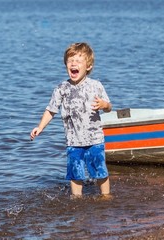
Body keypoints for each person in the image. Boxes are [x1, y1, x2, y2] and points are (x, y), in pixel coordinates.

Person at [30, 42, 112, 199]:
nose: (73, 63)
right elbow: (51, 110)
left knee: (100, 170)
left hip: (95, 139)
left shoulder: (96, 86)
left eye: (78, 61)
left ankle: (106, 196)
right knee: (75, 173)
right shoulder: (62, 88)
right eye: (70, 60)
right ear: (66, 64)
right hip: (73, 141)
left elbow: (109, 107)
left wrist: (104, 104)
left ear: (88, 66)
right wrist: (40, 127)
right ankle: (77, 199)